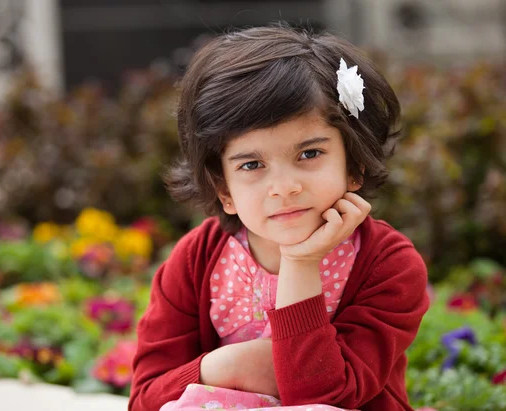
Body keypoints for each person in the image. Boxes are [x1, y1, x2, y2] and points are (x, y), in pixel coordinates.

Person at [129, 23, 430, 411]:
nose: (283, 187)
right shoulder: (197, 260)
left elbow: (323, 398)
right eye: (252, 164)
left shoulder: (387, 265)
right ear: (224, 190)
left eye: (309, 154)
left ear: (354, 164)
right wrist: (228, 365)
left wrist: (300, 262)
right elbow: (145, 401)